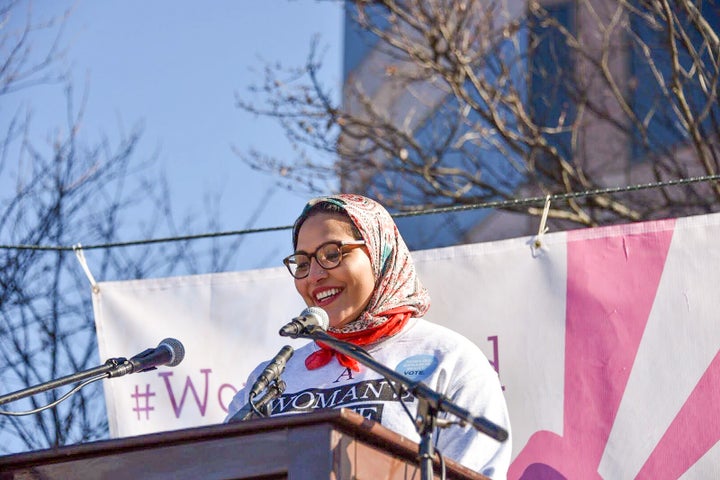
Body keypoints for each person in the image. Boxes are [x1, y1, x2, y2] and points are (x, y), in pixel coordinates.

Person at [226, 194, 512, 478]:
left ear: (380, 252)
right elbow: (220, 464)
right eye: (302, 263)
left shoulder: (450, 360)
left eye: (332, 254)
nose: (313, 275)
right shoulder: (269, 380)